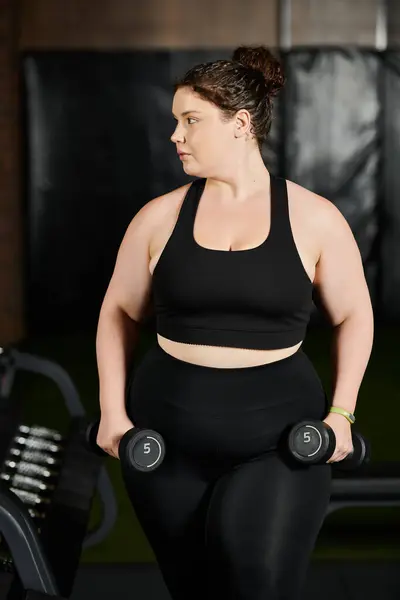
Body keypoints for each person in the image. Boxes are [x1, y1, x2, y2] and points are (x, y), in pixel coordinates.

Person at [95, 46, 374, 600]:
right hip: (165, 442)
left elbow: (354, 315)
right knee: (194, 590)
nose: (176, 135)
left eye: (190, 121)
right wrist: (112, 413)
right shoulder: (158, 217)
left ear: (241, 123)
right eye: (176, 121)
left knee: (256, 581)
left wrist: (341, 413)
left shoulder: (314, 217)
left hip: (274, 441)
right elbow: (118, 312)